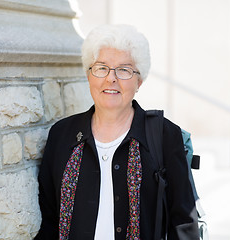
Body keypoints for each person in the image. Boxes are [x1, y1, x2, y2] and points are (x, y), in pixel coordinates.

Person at [35, 24, 199, 240]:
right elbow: (49, 220)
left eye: (123, 70)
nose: (111, 78)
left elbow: (184, 223)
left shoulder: (165, 136)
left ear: (139, 81)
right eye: (102, 68)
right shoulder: (62, 136)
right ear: (89, 75)